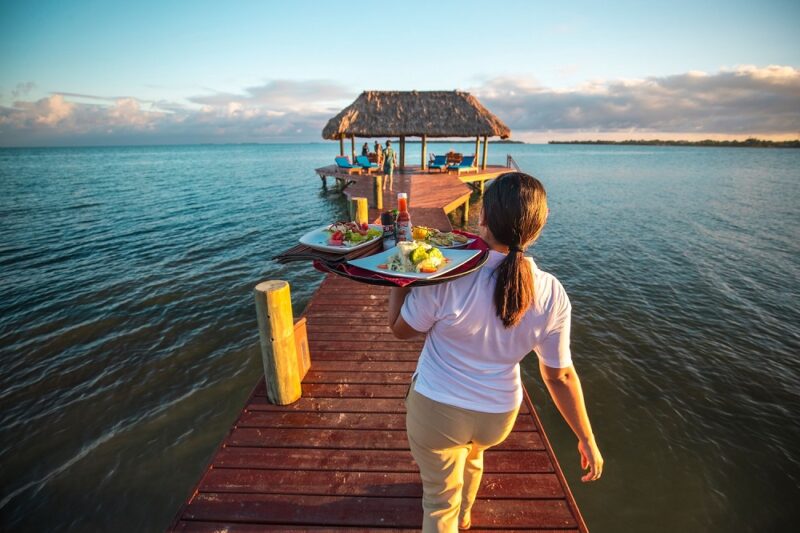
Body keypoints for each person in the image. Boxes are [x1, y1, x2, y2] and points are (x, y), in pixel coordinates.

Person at [388, 172, 603, 532]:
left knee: (438, 503)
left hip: (437, 411)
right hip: (497, 416)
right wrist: (587, 438)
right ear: (540, 224)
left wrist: (401, 276)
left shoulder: (445, 275)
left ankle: (451, 516)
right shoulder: (552, 293)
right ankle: (466, 515)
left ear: (482, 216)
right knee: (474, 454)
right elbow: (560, 375)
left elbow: (400, 330)